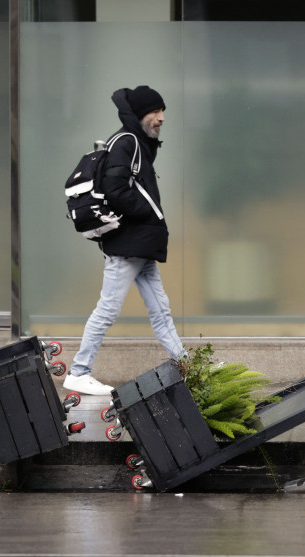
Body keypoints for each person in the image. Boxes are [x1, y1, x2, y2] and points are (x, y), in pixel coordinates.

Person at [63, 85, 187, 396]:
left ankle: (185, 364)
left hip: (138, 245)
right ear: (140, 114)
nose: (161, 118)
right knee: (107, 310)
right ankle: (78, 372)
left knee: (160, 309)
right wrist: (149, 214)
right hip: (128, 244)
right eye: (155, 112)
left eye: (162, 112)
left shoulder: (137, 142)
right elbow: (115, 189)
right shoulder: (127, 142)